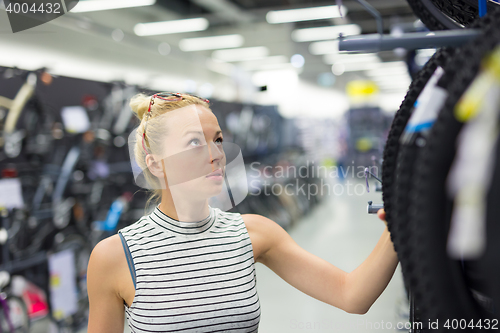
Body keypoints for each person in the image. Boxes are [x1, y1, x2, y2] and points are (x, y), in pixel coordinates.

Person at [86, 92, 399, 333]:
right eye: (195, 142)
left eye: (218, 140)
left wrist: (398, 223)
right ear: (155, 162)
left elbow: (351, 295)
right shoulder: (116, 256)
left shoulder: (252, 233)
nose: (216, 155)